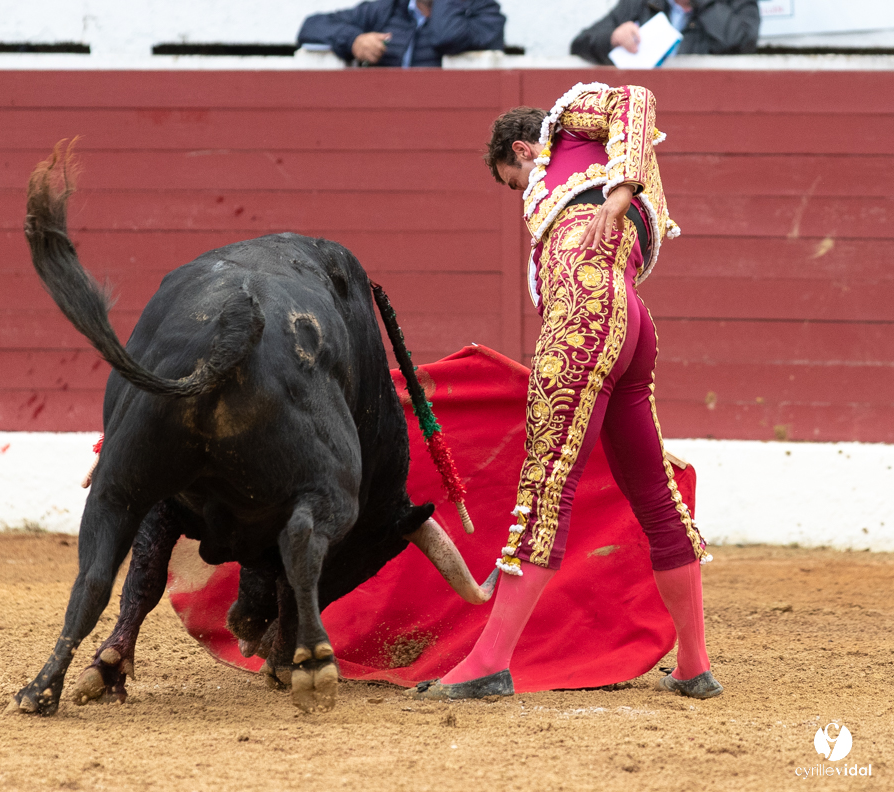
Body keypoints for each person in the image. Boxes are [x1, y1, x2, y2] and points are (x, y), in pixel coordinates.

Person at [409, 82, 723, 701]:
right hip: (630, 318)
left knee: (546, 483)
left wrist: (623, 189)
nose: (522, 195)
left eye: (514, 180)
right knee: (654, 496)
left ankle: (489, 661)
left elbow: (634, 95)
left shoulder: (568, 130)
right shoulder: (576, 174)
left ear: (525, 150)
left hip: (586, 311)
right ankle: (693, 664)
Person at [297, 0, 505, 67]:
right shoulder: (388, 10)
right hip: (380, 121)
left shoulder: (483, 13)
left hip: (445, 127)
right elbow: (311, 27)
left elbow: (447, 36)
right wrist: (354, 41)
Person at [571, 0, 760, 65]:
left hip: (706, 108)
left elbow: (745, 43)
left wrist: (703, 3)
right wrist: (612, 38)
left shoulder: (734, 3)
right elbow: (580, 43)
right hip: (642, 110)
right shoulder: (640, 3)